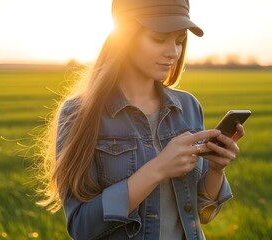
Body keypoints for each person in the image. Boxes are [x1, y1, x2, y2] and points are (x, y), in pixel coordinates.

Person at [37, 0, 245, 239]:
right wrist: (157, 169)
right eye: (159, 39)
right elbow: (82, 227)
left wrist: (216, 170)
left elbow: (203, 214)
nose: (173, 52)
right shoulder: (78, 114)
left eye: (179, 41)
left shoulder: (188, 107)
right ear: (125, 38)